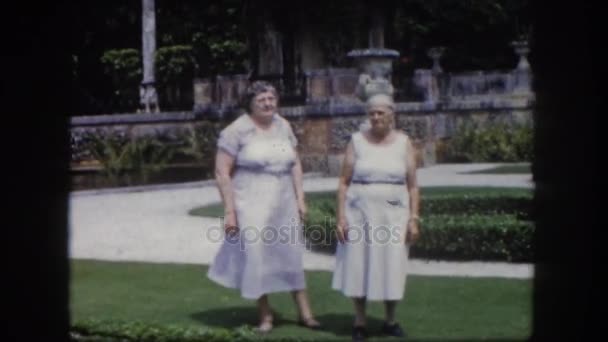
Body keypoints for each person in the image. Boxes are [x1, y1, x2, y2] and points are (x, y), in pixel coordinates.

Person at [207, 81, 321, 333]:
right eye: (262, 100)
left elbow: (295, 163)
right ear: (250, 104)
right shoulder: (236, 131)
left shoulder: (283, 125)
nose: (268, 104)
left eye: (271, 98)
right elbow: (222, 172)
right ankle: (265, 315)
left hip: (283, 198)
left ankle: (305, 313)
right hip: (250, 197)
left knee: (290, 252)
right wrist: (230, 212)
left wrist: (300, 197)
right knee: (257, 253)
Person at [331, 93, 421, 341]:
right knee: (359, 263)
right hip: (359, 207)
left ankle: (390, 320)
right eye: (371, 113)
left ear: (392, 113)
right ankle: (359, 321)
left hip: (393, 205)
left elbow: (412, 186)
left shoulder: (403, 142)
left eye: (380, 112)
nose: (375, 117)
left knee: (392, 264)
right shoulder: (357, 141)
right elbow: (343, 182)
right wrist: (341, 218)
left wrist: (413, 218)